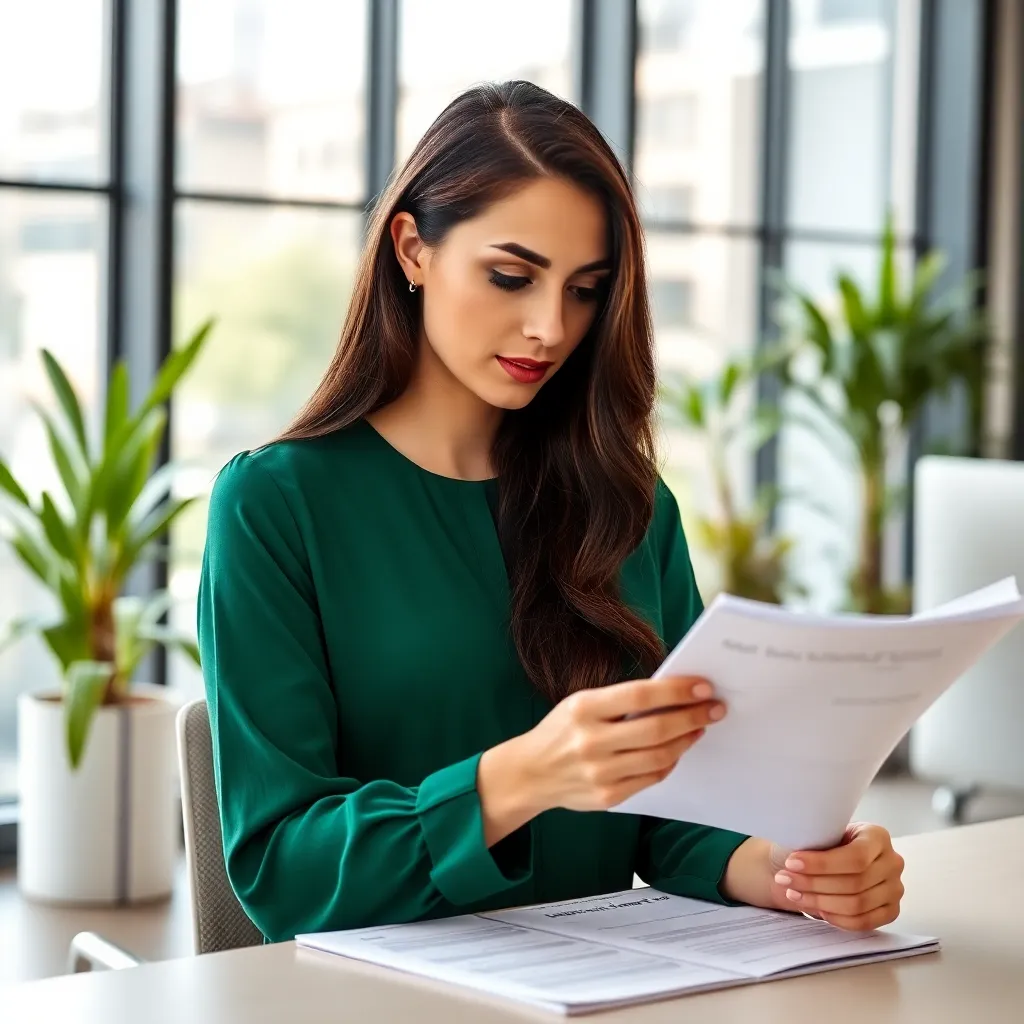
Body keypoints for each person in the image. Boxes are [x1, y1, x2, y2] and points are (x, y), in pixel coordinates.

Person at [198, 81, 905, 944]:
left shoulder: (628, 504)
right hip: (375, 988)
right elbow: (283, 868)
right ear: (412, 249)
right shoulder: (277, 504)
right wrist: (519, 780)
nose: (550, 327)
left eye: (584, 290)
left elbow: (675, 815)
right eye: (511, 276)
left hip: (610, 983)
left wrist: (789, 869)